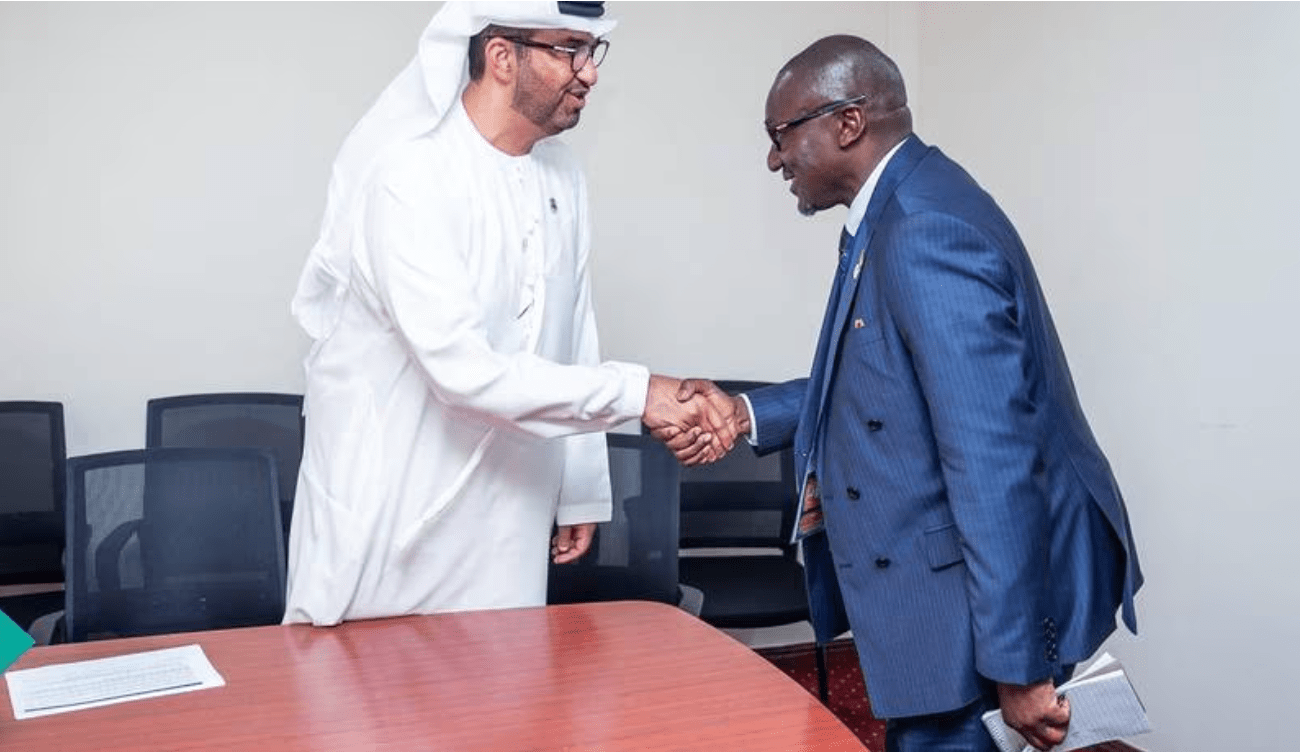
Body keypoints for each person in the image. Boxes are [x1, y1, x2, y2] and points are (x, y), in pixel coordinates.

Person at [661, 35, 1143, 752]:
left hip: (968, 618)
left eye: (780, 134)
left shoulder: (923, 231)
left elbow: (991, 458)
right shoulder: (900, 205)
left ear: (847, 123)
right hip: (943, 601)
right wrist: (746, 412)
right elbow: (881, 380)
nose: (773, 159)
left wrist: (1018, 665)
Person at [284, 1, 734, 627]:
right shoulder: (409, 176)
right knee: (368, 713)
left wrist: (579, 488)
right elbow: (460, 371)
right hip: (394, 512)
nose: (590, 73)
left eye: (593, 51)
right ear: (501, 56)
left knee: (501, 700)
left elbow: (572, 333)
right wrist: (643, 393)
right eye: (568, 51)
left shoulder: (562, 174)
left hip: (509, 511)